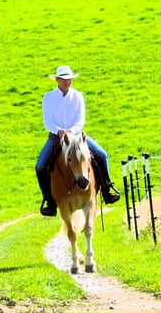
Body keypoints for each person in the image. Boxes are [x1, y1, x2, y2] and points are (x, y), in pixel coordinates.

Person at [35, 65, 121, 217]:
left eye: (70, 80)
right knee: (40, 166)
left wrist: (72, 131)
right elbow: (47, 121)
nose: (68, 82)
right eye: (65, 80)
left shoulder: (78, 96)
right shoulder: (48, 98)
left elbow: (81, 119)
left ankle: (107, 189)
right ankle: (49, 200)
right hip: (56, 137)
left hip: (77, 136)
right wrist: (59, 131)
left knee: (102, 155)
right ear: (57, 80)